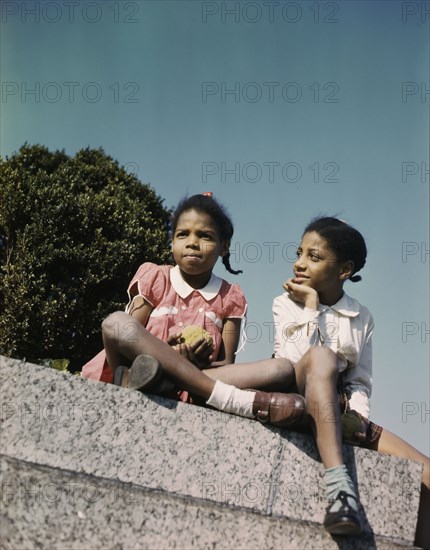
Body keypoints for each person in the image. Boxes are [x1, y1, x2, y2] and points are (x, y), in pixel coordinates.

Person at [83, 193, 306, 427]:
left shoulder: (230, 296)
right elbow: (127, 339)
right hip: (138, 368)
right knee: (115, 323)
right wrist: (167, 352)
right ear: (172, 242)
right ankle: (232, 400)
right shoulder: (156, 276)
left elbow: (226, 363)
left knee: (281, 369)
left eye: (205, 236)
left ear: (224, 247)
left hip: (199, 375)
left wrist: (198, 361)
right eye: (182, 234)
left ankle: (168, 384)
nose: (192, 242)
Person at [271, 217, 429, 546]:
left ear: (344, 270)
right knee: (319, 358)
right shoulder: (286, 302)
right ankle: (339, 489)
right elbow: (292, 362)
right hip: (296, 397)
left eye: (313, 257)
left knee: (427, 472)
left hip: (342, 413)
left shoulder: (362, 316)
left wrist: (357, 418)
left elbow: (360, 381)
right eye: (299, 252)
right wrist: (311, 307)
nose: (299, 263)